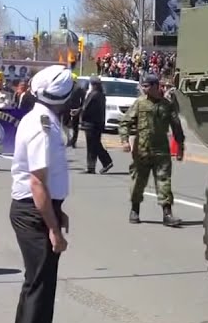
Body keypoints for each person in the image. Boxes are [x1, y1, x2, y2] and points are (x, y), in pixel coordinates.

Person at [9, 64, 74, 323]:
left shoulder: (43, 119)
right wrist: (53, 228)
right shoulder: (42, 125)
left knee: (33, 282)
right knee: (41, 286)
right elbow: (37, 182)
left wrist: (57, 210)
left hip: (41, 208)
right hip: (34, 212)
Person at [120, 73, 185, 227]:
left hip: (161, 150)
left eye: (147, 86)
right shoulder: (139, 103)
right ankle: (134, 210)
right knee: (138, 182)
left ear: (156, 86)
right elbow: (125, 122)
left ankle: (167, 214)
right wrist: (124, 140)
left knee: (164, 182)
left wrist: (180, 146)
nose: (144, 88)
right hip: (141, 150)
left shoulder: (167, 105)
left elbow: (177, 127)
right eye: (143, 86)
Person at [78, 77, 113, 175]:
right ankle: (93, 166)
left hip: (90, 123)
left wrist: (80, 116)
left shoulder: (92, 94)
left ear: (93, 85)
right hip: (99, 123)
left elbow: (85, 108)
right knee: (95, 144)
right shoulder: (101, 95)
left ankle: (104, 162)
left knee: (93, 145)